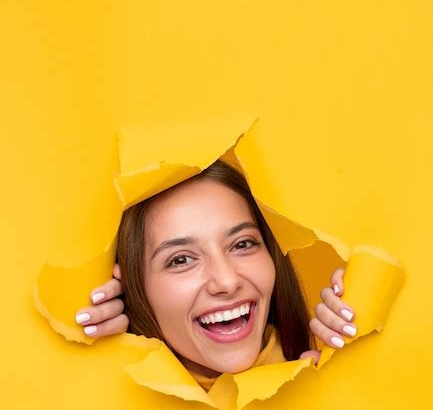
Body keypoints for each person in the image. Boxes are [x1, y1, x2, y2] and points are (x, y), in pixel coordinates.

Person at [74, 161, 356, 382]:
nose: (227, 281)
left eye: (243, 244)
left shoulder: (326, 376)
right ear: (134, 287)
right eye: (181, 260)